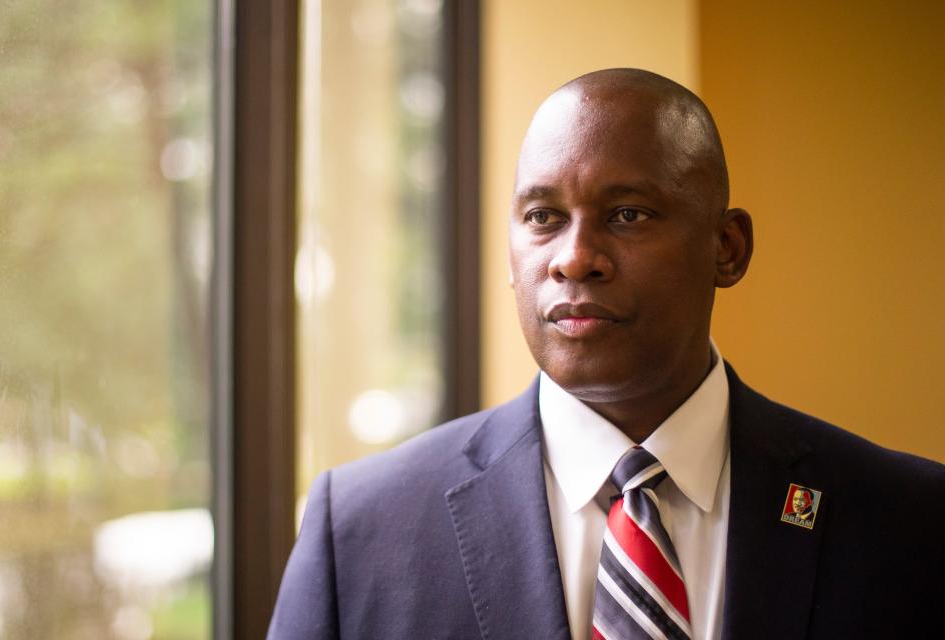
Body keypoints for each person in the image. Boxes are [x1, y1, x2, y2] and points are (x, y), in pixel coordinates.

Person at [267, 69, 945, 639]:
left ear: (727, 248)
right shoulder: (359, 532)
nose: (574, 259)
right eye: (543, 218)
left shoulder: (909, 522)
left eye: (627, 215)